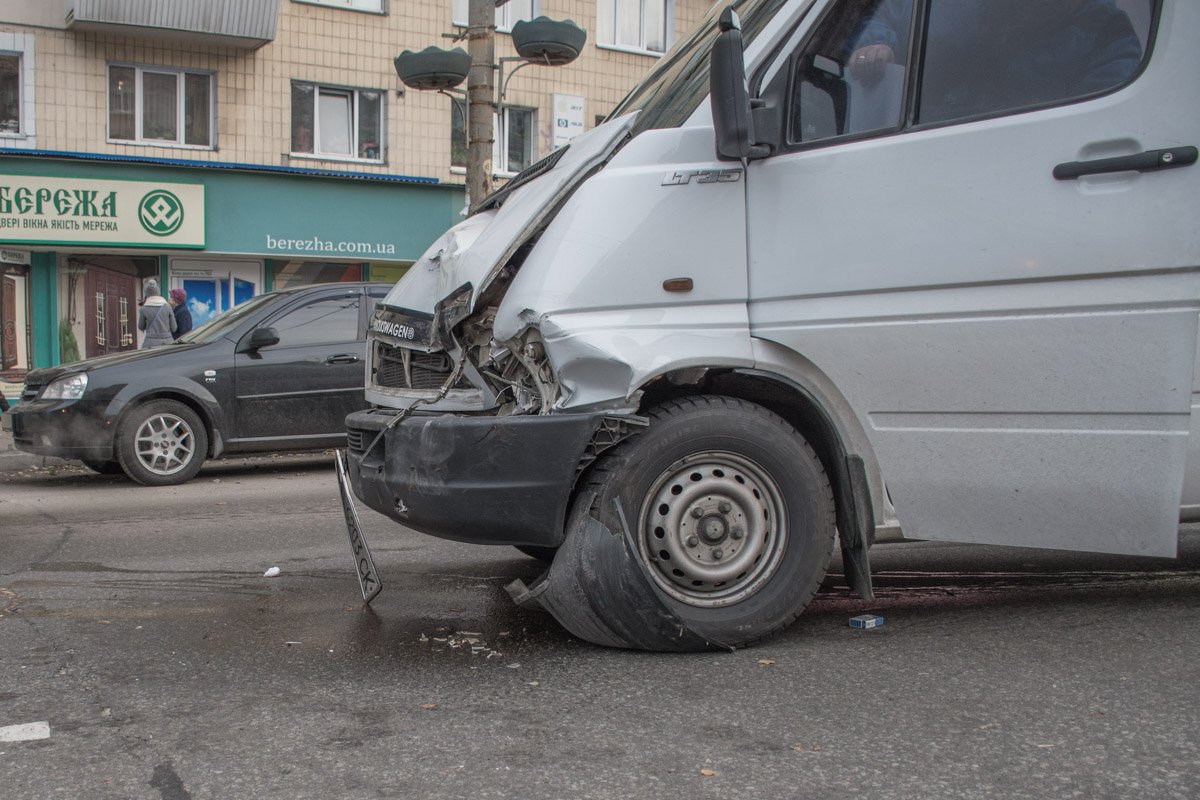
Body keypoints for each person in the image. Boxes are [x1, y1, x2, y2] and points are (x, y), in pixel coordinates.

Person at [848, 0, 1143, 123]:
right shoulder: (959, 7)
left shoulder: (1107, 36)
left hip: (1027, 171)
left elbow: (1103, 124)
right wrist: (878, 42)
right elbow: (886, 14)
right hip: (926, 147)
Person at [138, 279, 176, 349]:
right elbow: (174, 328)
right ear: (158, 293)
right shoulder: (167, 307)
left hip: (150, 343)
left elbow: (141, 327)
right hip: (167, 343)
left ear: (147, 294)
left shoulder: (144, 309)